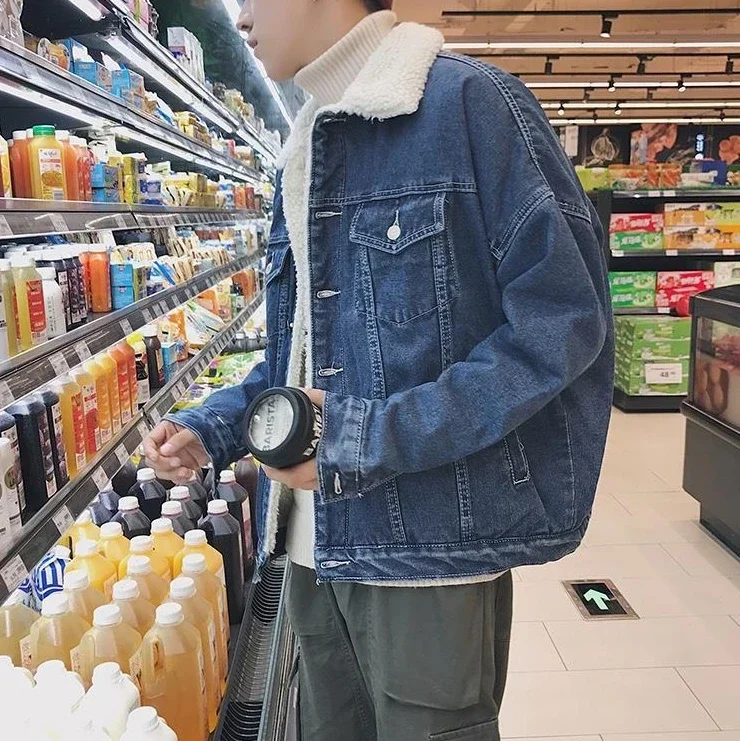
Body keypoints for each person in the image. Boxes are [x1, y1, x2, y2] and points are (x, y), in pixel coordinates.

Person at [144, 1, 614, 739]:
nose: (241, 17)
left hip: (424, 555)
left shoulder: (470, 106)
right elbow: (302, 351)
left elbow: (562, 325)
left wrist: (363, 437)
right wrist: (214, 428)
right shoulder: (306, 142)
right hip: (309, 549)